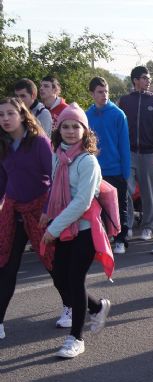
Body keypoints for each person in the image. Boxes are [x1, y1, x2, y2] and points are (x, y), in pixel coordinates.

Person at [42, 104, 111, 358]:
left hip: (84, 230)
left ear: (85, 130)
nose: (71, 131)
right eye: (66, 126)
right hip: (62, 227)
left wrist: (53, 227)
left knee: (74, 279)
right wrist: (47, 214)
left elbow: (81, 202)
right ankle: (97, 306)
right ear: (59, 130)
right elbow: (54, 192)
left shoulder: (87, 161)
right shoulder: (57, 155)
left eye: (76, 126)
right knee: (60, 277)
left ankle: (76, 338)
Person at [0, 97, 68, 339]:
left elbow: (52, 176)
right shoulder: (3, 144)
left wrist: (48, 210)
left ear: (22, 115)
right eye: (1, 115)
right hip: (13, 210)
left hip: (40, 210)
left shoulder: (38, 142)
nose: (5, 119)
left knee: (52, 263)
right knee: (6, 265)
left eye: (10, 113)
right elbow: (3, 180)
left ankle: (76, 306)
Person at [118, 65, 153, 242]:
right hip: (128, 152)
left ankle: (147, 226)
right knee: (127, 190)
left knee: (149, 192)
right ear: (135, 80)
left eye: (149, 78)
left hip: (149, 153)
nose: (148, 80)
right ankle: (127, 225)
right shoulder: (124, 101)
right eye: (144, 77)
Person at [86, 77, 131, 254]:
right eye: (99, 92)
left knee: (120, 206)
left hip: (116, 170)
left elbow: (124, 145)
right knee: (96, 208)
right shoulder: (87, 115)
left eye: (106, 91)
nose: (104, 95)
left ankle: (121, 239)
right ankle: (102, 240)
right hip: (94, 171)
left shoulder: (118, 114)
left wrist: (125, 172)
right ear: (92, 94)